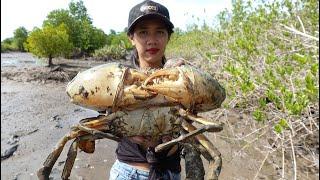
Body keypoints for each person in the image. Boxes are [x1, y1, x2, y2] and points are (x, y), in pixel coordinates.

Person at [109, 1, 205, 180]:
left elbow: (193, 123)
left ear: (168, 36)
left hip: (170, 173)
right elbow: (103, 121)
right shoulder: (118, 81)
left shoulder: (182, 78)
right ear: (131, 37)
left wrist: (177, 139)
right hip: (126, 172)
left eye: (159, 32)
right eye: (143, 32)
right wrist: (124, 131)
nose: (151, 40)